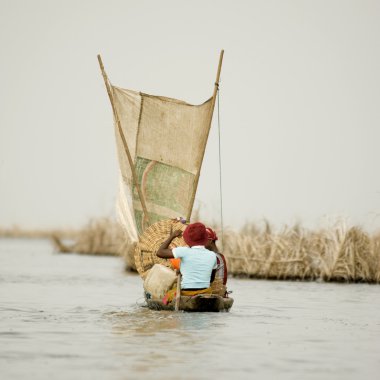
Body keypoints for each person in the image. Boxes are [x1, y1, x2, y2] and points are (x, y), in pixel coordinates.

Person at [156, 222, 217, 302]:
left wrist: (172, 236)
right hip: (205, 292)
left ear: (188, 239)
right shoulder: (212, 255)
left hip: (187, 292)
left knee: (166, 298)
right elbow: (211, 279)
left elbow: (160, 252)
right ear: (205, 239)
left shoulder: (183, 251)